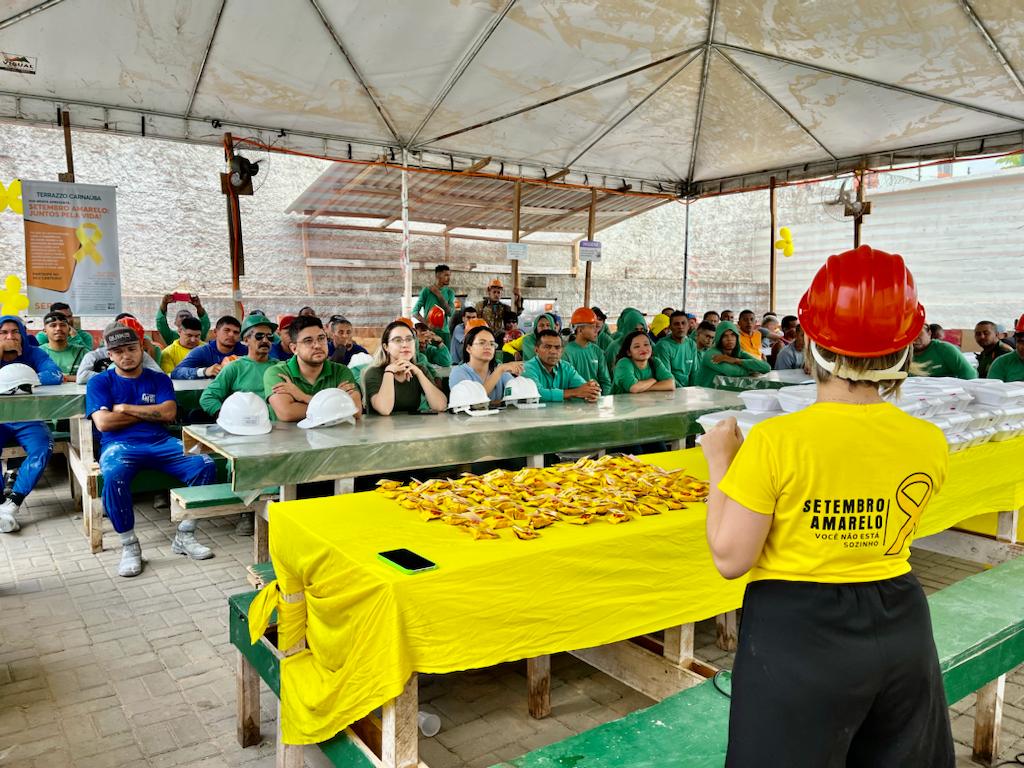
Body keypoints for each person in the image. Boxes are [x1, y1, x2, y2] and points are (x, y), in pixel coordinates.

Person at [702, 245, 954, 767]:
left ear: (810, 341)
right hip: (902, 622)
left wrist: (721, 463)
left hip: (799, 635)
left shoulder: (777, 440)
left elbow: (730, 558)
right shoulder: (928, 439)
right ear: (906, 347)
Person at [86, 325, 217, 575]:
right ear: (110, 355)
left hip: (161, 442)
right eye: (119, 351)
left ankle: (185, 536)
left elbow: (168, 413)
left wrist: (124, 408)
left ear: (142, 349)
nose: (126, 355)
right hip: (118, 447)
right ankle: (129, 546)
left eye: (132, 349)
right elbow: (103, 423)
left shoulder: (158, 379)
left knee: (204, 463)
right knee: (113, 474)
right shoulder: (100, 382)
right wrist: (149, 415)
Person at [0, 315, 62, 532]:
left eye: (15, 332)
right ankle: (1, 503)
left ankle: (13, 502)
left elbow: (55, 375)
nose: (10, 337)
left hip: (27, 417)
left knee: (43, 447)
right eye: (4, 332)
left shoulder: (33, 352)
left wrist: (22, 375)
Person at [263, 316, 361, 422]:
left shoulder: (341, 371)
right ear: (294, 348)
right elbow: (287, 413)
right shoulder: (278, 373)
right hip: (290, 437)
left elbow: (355, 410)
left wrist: (303, 397)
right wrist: (336, 402)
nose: (317, 345)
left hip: (333, 436)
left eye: (321, 338)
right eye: (308, 341)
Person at [200, 314, 279, 417]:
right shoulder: (234, 368)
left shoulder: (280, 367)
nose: (265, 340)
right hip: (246, 428)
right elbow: (207, 398)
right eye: (259, 336)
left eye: (269, 337)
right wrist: (228, 417)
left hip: (280, 427)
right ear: (246, 340)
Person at [364, 321, 447, 416]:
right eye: (398, 340)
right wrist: (389, 372)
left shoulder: (419, 369)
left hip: (412, 429)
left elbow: (441, 406)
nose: (405, 344)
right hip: (382, 429)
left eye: (409, 339)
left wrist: (419, 373)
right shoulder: (374, 372)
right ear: (386, 347)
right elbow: (384, 410)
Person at [522, 329, 600, 403]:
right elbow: (536, 393)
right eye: (547, 347)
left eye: (557, 347)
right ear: (536, 350)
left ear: (562, 351)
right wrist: (575, 392)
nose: (553, 351)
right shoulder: (527, 368)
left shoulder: (566, 367)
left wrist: (592, 390)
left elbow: (583, 388)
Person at [449, 325, 523, 403]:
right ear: (469, 348)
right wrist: (499, 370)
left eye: (492, 344)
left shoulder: (501, 371)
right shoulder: (458, 372)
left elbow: (517, 395)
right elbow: (470, 401)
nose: (488, 347)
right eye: (482, 343)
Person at [77, 321, 163, 384]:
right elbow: (81, 378)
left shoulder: (137, 353)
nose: (126, 356)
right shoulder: (92, 356)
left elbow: (159, 374)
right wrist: (114, 375)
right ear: (104, 341)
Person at [694, 320, 771, 387]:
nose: (730, 339)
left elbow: (766, 367)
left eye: (733, 335)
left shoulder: (738, 353)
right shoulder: (712, 354)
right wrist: (754, 368)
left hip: (723, 394)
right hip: (704, 396)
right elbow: (733, 372)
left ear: (737, 337)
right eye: (725, 336)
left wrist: (736, 360)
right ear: (719, 339)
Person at [171, 316, 247, 380]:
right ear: (215, 332)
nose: (231, 334)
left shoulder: (247, 352)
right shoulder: (202, 352)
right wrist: (204, 371)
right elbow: (176, 372)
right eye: (227, 330)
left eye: (236, 332)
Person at [563, 307, 612, 396]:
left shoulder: (598, 352)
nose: (596, 330)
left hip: (595, 402)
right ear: (580, 330)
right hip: (573, 404)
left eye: (596, 327)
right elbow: (564, 383)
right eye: (592, 327)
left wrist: (602, 400)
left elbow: (606, 382)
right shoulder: (566, 353)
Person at [612, 330, 674, 394]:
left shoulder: (655, 361)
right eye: (637, 346)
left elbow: (670, 384)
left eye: (646, 344)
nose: (643, 349)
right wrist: (653, 380)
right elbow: (634, 388)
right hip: (622, 403)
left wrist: (643, 388)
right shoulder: (623, 363)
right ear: (629, 352)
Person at [911, 325, 976, 379]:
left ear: (929, 333)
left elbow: (970, 375)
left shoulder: (944, 349)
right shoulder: (904, 353)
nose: (914, 338)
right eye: (910, 334)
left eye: (919, 333)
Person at [654, 311, 699, 387]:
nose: (680, 326)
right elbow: (667, 376)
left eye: (683, 323)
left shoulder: (692, 344)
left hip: (688, 391)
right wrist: (683, 391)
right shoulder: (663, 346)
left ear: (688, 326)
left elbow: (694, 373)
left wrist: (692, 390)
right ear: (670, 327)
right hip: (669, 389)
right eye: (676, 324)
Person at [413, 265, 456, 344]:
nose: (449, 278)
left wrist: (439, 295)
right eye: (446, 275)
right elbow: (415, 312)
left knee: (445, 356)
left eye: (449, 275)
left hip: (445, 333)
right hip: (429, 332)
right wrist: (427, 324)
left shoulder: (450, 292)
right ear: (437, 275)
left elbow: (450, 313)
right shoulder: (426, 291)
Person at [40, 310, 88, 381]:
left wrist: (64, 377)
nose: (58, 328)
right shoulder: (39, 353)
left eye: (62, 325)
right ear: (45, 331)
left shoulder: (82, 352)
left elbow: (95, 377)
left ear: (69, 329)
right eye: (53, 325)